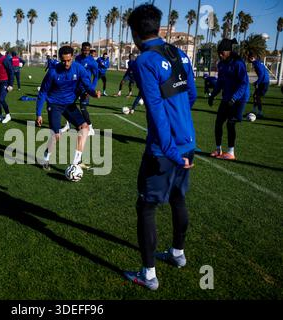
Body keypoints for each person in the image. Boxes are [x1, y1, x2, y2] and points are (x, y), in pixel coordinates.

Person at [124, 4, 197, 291]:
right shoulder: (178, 53)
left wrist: (168, 148)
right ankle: (177, 254)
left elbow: (154, 109)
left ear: (135, 32)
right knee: (178, 198)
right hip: (188, 142)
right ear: (157, 26)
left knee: (147, 207)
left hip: (164, 150)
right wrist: (180, 132)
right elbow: (190, 95)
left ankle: (149, 274)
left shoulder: (144, 61)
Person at [36, 45, 101, 171]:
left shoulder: (79, 68)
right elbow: (43, 92)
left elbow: (87, 85)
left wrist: (94, 93)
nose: (66, 63)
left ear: (72, 58)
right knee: (56, 136)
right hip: (54, 104)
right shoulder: (53, 72)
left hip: (69, 104)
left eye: (68, 60)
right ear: (60, 58)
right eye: (63, 60)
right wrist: (38, 113)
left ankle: (76, 162)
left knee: (85, 128)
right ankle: (46, 158)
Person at [208, 38, 249, 160]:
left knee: (231, 123)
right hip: (227, 97)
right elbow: (220, 82)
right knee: (218, 122)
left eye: (222, 52)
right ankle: (218, 149)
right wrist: (212, 95)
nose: (220, 55)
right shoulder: (221, 64)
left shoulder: (238, 63)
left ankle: (231, 152)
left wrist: (234, 98)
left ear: (228, 51)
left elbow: (244, 83)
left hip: (239, 98)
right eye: (219, 52)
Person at [62, 42, 98, 136]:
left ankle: (90, 128)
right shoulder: (77, 58)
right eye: (84, 49)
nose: (86, 52)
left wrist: (91, 89)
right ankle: (67, 125)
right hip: (75, 86)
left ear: (90, 50)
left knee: (83, 108)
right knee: (68, 104)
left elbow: (96, 76)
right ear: (81, 49)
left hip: (85, 88)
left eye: (88, 50)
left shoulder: (92, 62)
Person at [248, 54, 270, 118]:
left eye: (248, 58)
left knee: (258, 97)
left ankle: (260, 113)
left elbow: (261, 74)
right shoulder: (257, 62)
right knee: (255, 96)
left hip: (264, 82)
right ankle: (254, 110)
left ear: (252, 58)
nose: (248, 59)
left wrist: (257, 82)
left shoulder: (256, 64)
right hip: (263, 81)